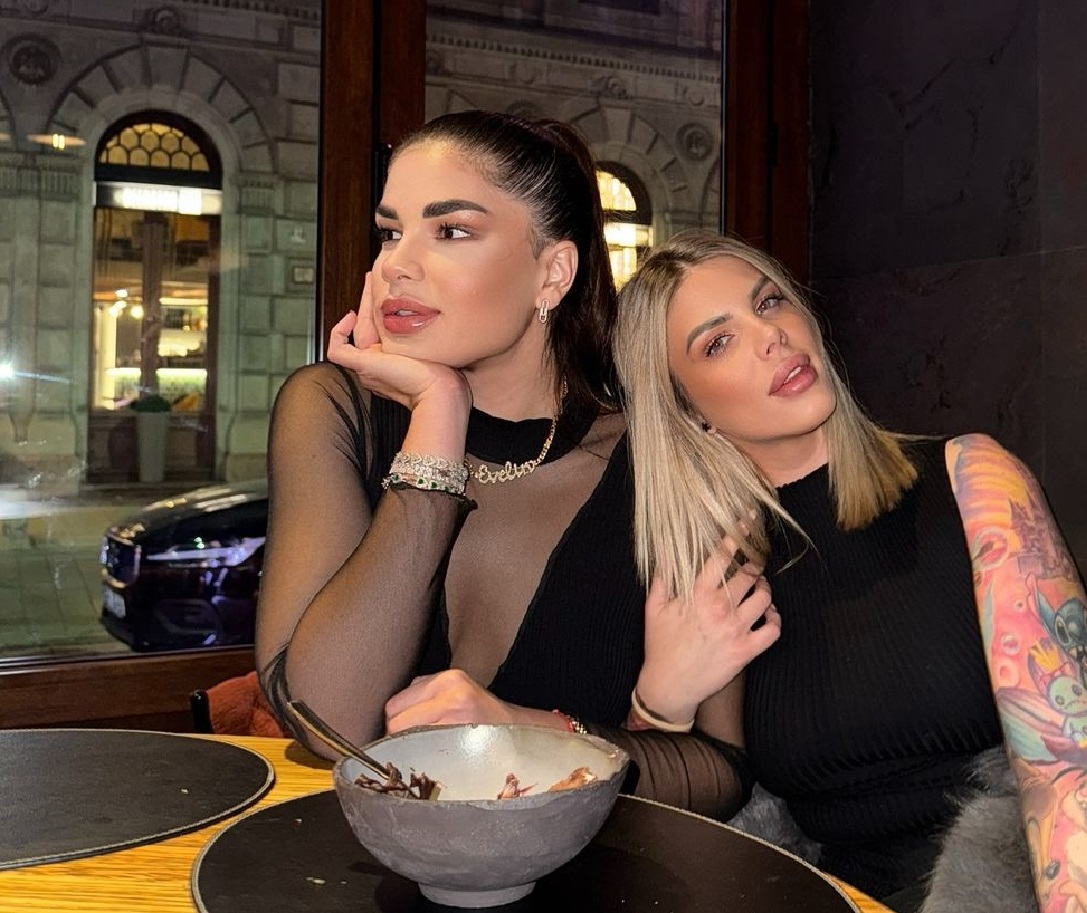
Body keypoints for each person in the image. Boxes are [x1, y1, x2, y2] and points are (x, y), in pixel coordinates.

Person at [254, 112, 778, 820]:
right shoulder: (334, 410)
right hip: (360, 866)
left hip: (584, 871)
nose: (397, 264)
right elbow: (327, 723)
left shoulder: (661, 459)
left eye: (451, 231)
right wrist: (438, 415)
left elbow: (717, 770)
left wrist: (522, 731)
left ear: (552, 272)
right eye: (391, 231)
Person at [612, 230, 1087, 913]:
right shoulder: (720, 576)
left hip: (1022, 883)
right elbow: (670, 834)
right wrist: (657, 702)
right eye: (719, 342)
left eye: (769, 302)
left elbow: (1071, 770)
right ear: (688, 412)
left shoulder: (971, 480)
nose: (771, 336)